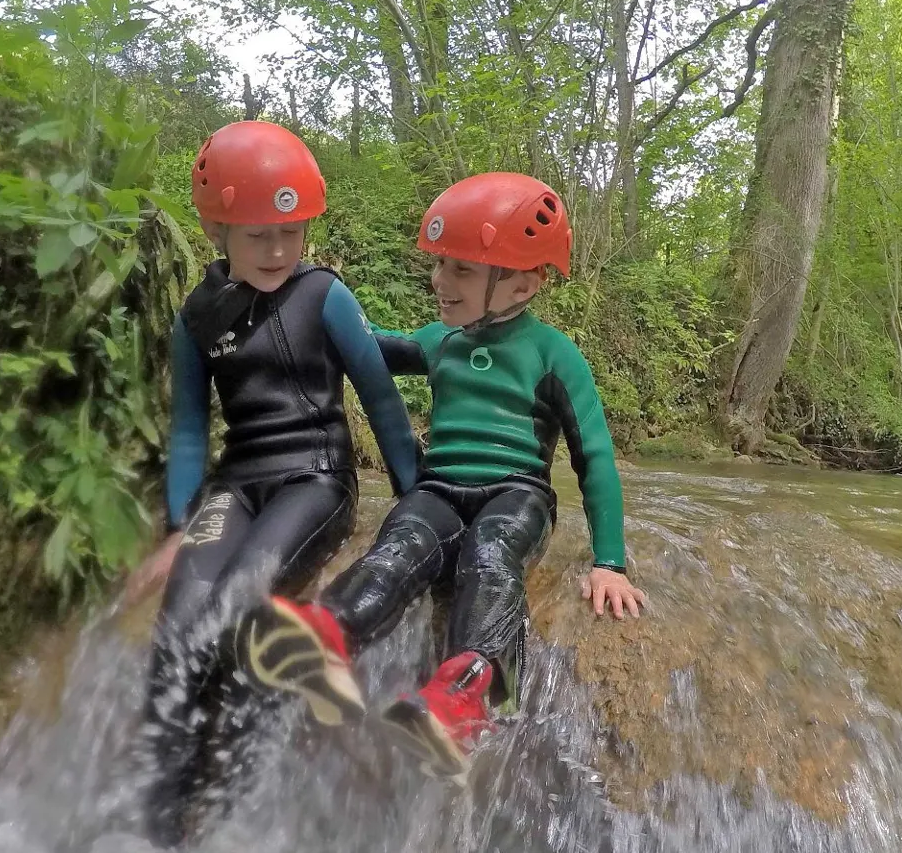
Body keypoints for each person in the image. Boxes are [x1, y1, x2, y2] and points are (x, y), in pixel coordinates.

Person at [239, 171, 645, 780]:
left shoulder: (554, 355)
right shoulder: (441, 340)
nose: (438, 280)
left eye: (459, 269)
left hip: (518, 493)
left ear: (521, 281)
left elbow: (596, 459)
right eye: (440, 265)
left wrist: (608, 561)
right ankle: (329, 632)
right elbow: (367, 346)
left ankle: (468, 693)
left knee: (489, 555)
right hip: (438, 489)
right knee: (400, 542)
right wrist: (303, 304)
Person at [134, 120, 421, 846]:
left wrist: (416, 499)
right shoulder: (199, 318)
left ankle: (224, 817)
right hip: (236, 486)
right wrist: (179, 525)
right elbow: (192, 429)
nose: (277, 251)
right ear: (217, 227)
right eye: (259, 234)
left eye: (291, 233)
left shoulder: (325, 295)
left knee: (235, 610)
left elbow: (381, 400)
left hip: (315, 480)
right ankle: (156, 825)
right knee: (177, 633)